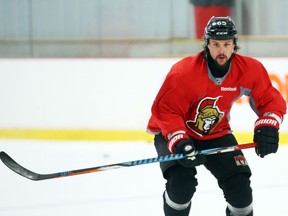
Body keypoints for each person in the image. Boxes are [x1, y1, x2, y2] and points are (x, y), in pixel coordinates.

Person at [146, 16, 286, 216]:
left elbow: (270, 100)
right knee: (181, 185)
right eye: (216, 44)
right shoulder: (184, 73)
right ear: (207, 44)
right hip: (176, 134)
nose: (222, 51)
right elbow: (166, 110)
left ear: (234, 44)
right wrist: (179, 141)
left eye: (227, 44)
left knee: (241, 192)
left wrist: (268, 125)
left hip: (216, 133)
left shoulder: (249, 70)